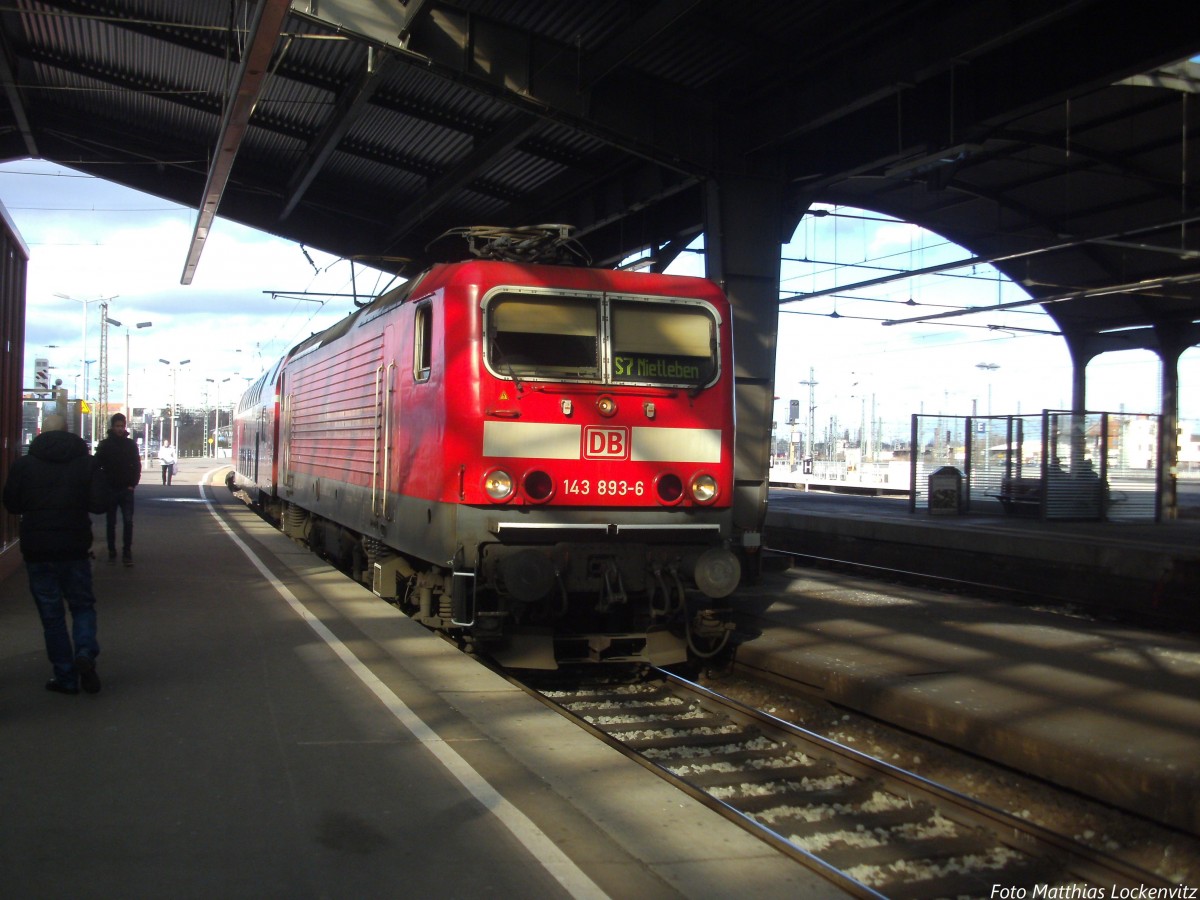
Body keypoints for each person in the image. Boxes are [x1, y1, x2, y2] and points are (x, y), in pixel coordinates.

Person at [2, 414, 107, 695]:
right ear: (68, 431)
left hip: (38, 550)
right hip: (75, 547)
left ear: (40, 433)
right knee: (82, 606)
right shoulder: (86, 463)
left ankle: (66, 677)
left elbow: (11, 503)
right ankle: (85, 653)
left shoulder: (24, 465)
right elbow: (100, 504)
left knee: (52, 616)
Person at [94, 412, 142, 566]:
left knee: (128, 521)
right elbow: (96, 465)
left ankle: (127, 552)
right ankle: (111, 550)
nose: (120, 429)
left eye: (122, 426)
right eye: (117, 426)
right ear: (112, 427)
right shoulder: (105, 445)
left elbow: (137, 465)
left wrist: (132, 484)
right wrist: (103, 484)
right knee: (111, 522)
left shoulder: (130, 445)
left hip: (126, 490)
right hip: (110, 490)